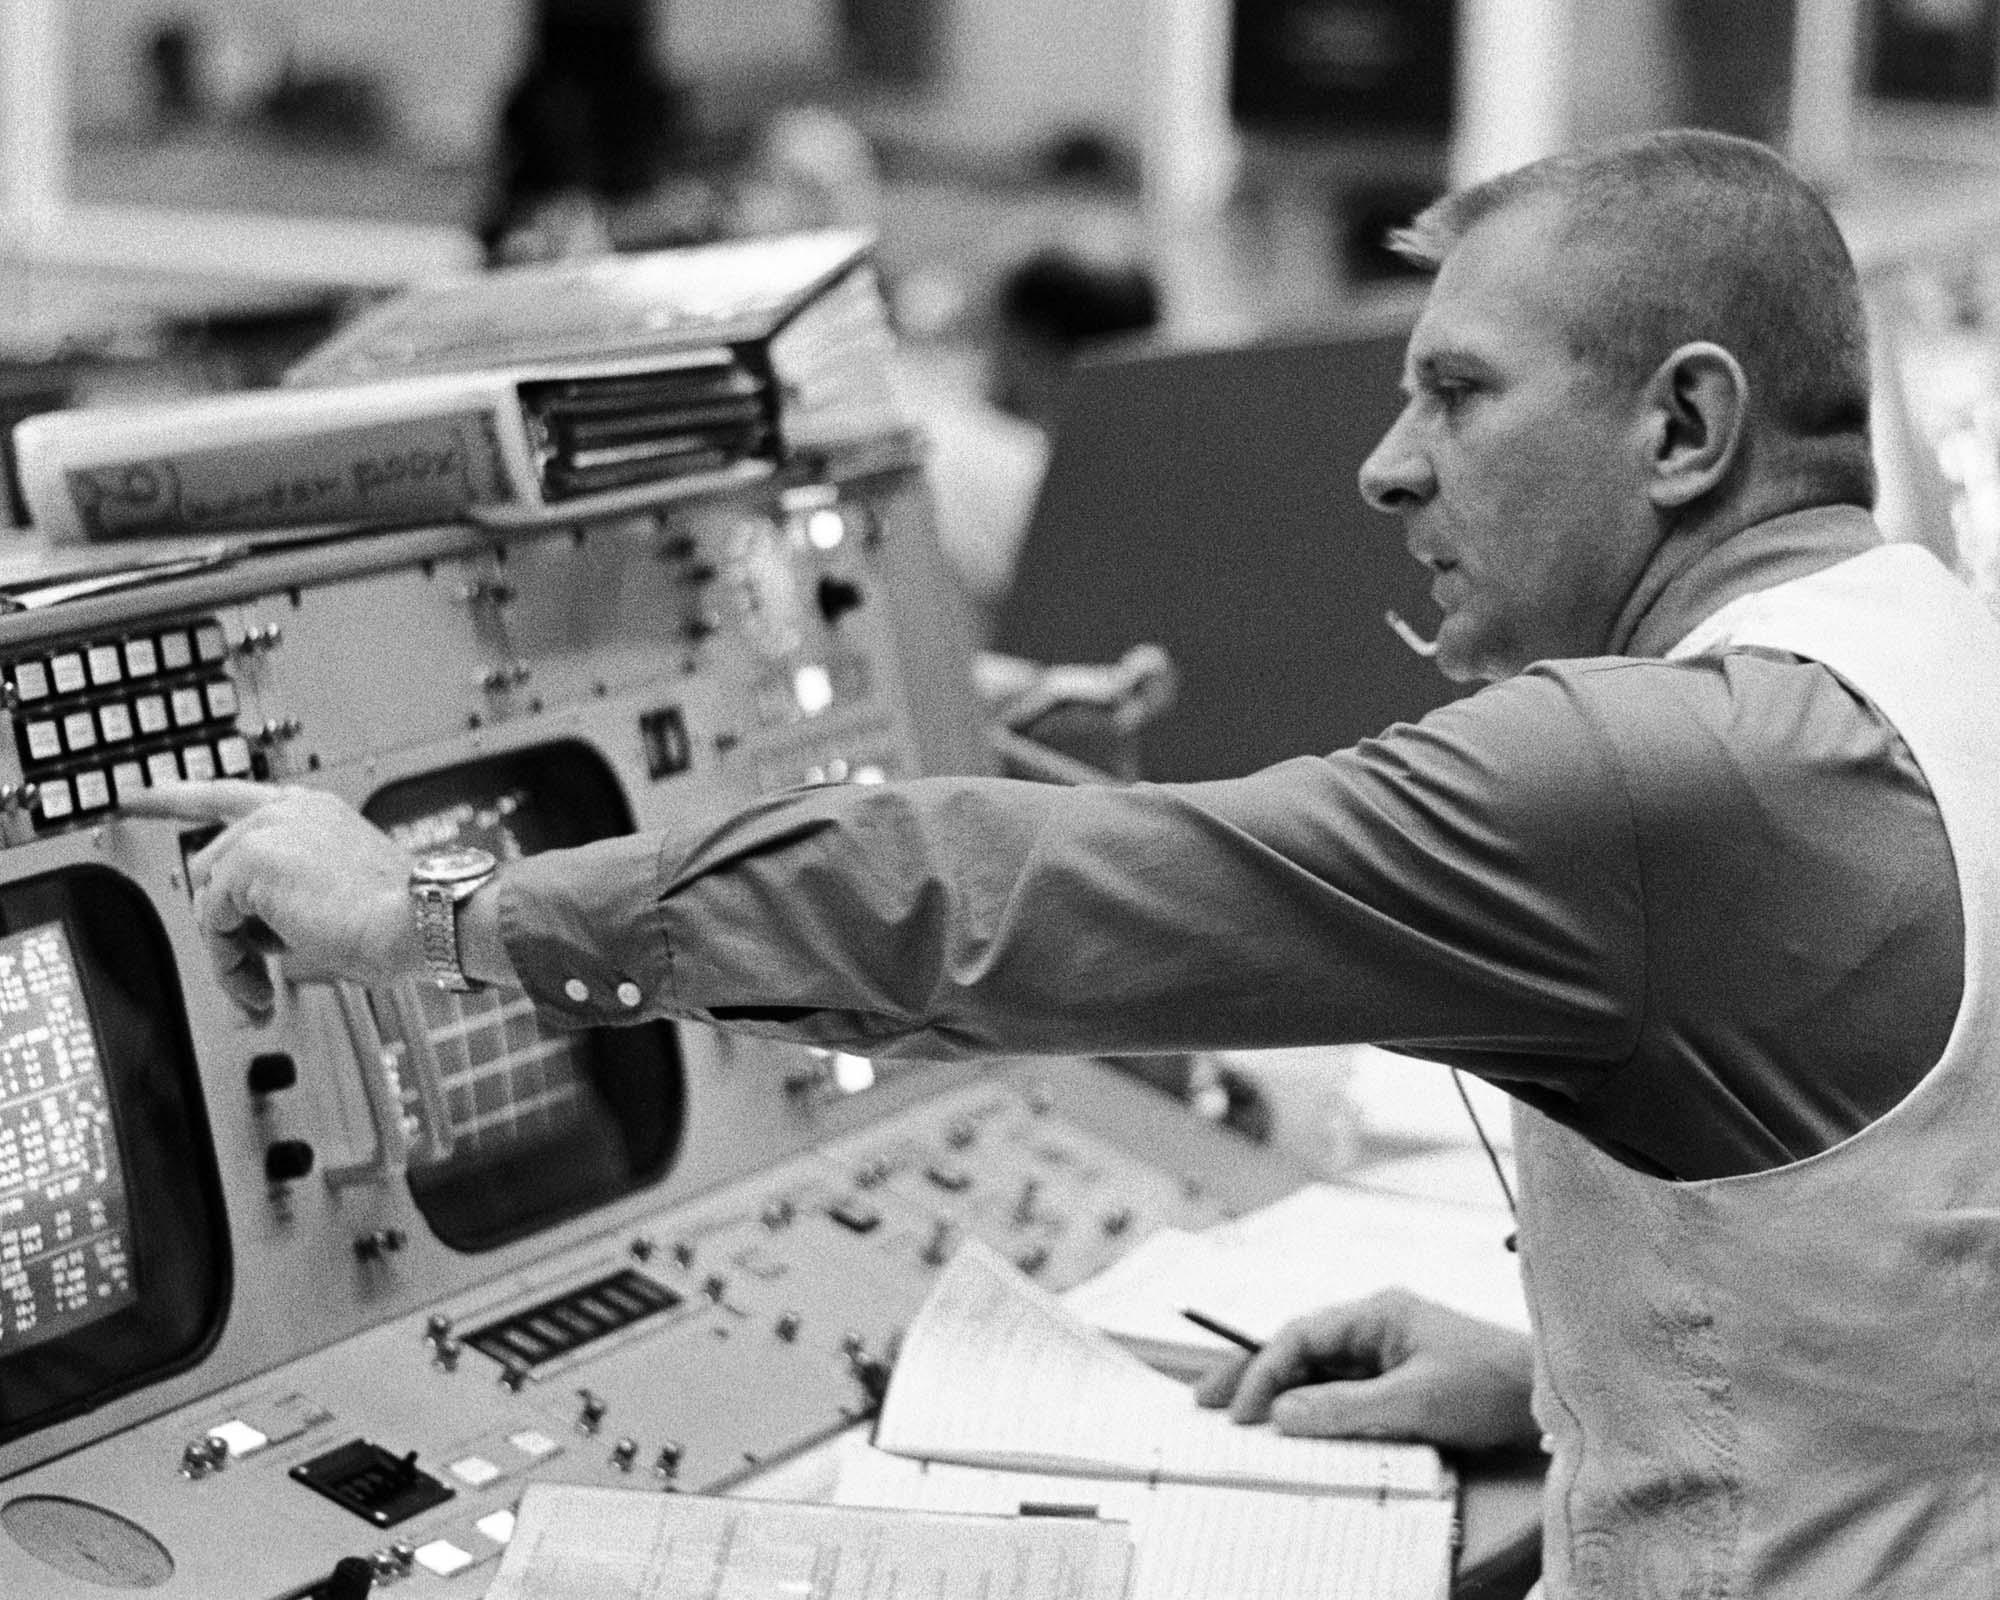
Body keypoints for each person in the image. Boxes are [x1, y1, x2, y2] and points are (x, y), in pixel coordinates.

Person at [126, 128, 2000, 1597]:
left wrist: (432, 911)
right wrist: (1569, 1373)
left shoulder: (1652, 770)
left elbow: (994, 900)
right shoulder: (1929, 650)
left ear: (1684, 427)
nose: (1384, 466)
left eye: (1460, 392)